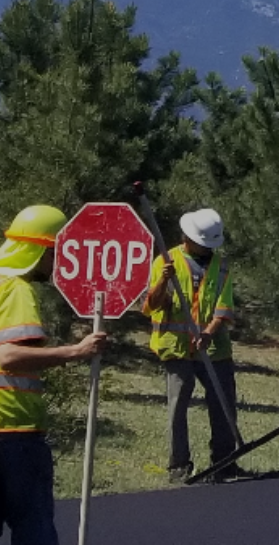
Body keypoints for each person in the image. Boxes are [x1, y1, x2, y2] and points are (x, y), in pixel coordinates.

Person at [0, 205, 108, 545]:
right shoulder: (16, 289)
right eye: (57, 253)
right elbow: (8, 355)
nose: (58, 262)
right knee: (34, 528)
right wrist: (76, 351)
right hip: (13, 432)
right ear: (43, 249)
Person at [142, 208, 241, 483]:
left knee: (223, 405)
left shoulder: (221, 266)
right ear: (187, 236)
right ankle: (179, 466)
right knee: (178, 406)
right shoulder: (166, 261)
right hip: (177, 347)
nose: (207, 249)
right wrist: (163, 279)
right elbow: (150, 306)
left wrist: (208, 333)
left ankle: (224, 462)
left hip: (214, 349)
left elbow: (224, 307)